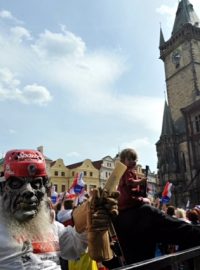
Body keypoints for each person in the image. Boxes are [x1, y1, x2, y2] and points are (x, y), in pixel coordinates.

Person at [0, 149, 119, 269]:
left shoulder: (50, 225)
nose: (28, 191)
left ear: (45, 189)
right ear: (3, 188)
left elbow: (74, 249)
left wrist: (91, 221)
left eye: (36, 184)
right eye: (16, 184)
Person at [102, 149, 200, 269]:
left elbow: (107, 258)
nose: (133, 162)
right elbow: (182, 230)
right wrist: (141, 183)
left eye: (134, 160)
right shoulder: (145, 213)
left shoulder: (114, 217)